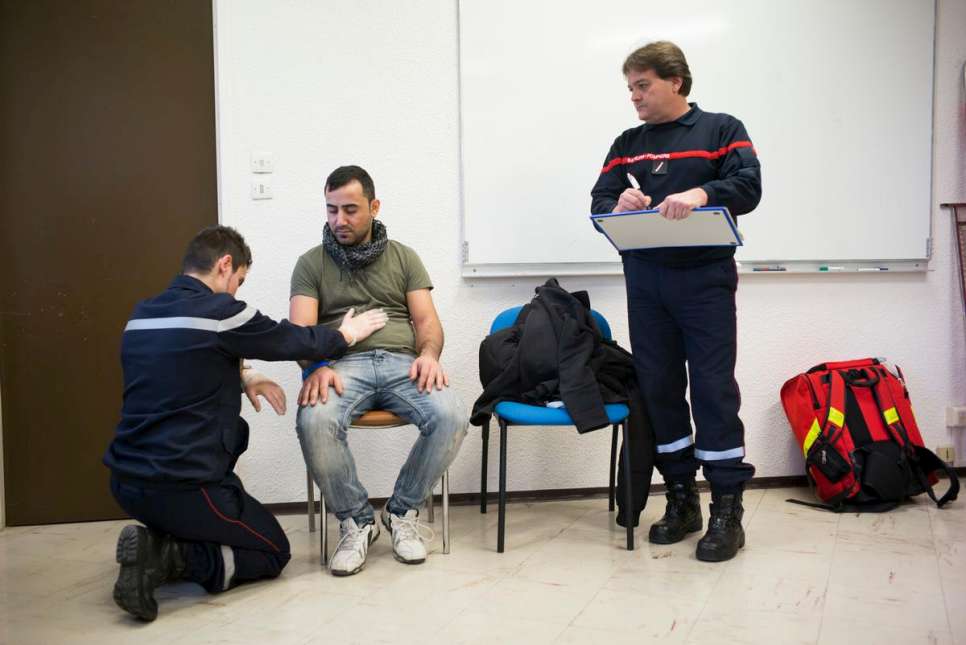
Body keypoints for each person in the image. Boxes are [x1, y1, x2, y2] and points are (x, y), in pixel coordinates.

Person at [104, 225, 387, 620]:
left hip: (126, 483)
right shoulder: (222, 312)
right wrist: (346, 334)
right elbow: (289, 339)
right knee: (271, 551)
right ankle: (168, 556)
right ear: (224, 266)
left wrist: (245, 374)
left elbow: (180, 367)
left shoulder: (141, 315)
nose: (237, 290)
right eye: (238, 280)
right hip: (184, 484)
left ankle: (162, 539)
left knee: (218, 503)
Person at [590, 41, 762, 562]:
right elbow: (598, 203)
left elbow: (749, 186)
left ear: (677, 82)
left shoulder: (721, 129)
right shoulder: (627, 142)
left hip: (704, 281)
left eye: (643, 86)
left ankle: (727, 512)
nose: (635, 97)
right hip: (646, 283)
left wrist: (702, 194)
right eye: (630, 88)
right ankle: (682, 500)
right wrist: (618, 203)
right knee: (661, 390)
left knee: (712, 390)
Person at [290, 165, 468, 577]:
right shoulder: (310, 263)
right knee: (314, 419)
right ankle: (357, 521)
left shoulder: (404, 257)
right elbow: (300, 332)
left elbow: (426, 321)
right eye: (332, 210)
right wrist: (315, 365)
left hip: (402, 363)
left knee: (451, 413)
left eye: (350, 209)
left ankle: (401, 511)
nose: (340, 221)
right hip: (340, 366)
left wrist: (429, 355)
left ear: (374, 206)